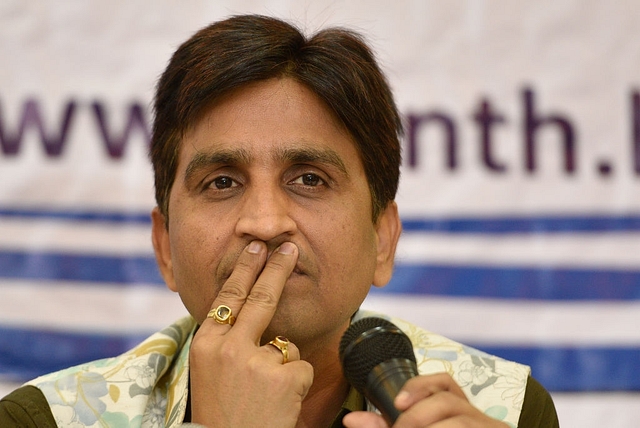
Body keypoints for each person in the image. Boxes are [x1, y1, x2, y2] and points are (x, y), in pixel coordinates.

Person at [0, 14, 558, 427]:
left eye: (309, 179)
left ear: (382, 238)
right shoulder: (44, 420)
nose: (265, 222)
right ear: (165, 247)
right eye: (221, 182)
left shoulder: (503, 408)